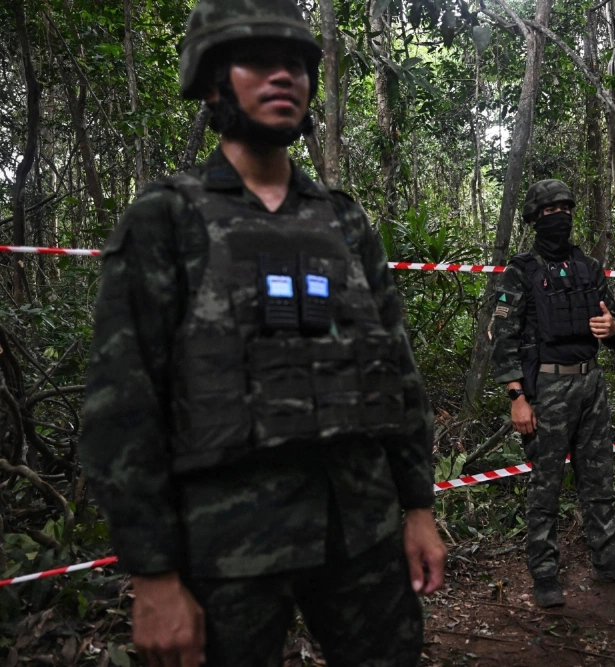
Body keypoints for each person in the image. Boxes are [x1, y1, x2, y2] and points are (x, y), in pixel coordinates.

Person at [78, 2, 446, 665]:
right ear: (216, 81)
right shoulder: (167, 220)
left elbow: (396, 366)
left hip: (359, 528)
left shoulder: (344, 222)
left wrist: (417, 505)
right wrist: (154, 576)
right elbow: (122, 405)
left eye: (298, 63)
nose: (285, 76)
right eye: (258, 61)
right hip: (229, 546)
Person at [489, 179, 615, 608]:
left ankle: (608, 559)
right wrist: (517, 398)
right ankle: (544, 572)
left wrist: (613, 329)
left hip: (590, 384)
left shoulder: (590, 267)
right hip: (546, 387)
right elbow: (502, 338)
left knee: (598, 478)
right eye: (549, 210)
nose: (558, 216)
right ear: (534, 218)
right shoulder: (521, 270)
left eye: (565, 208)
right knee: (545, 486)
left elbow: (611, 321)